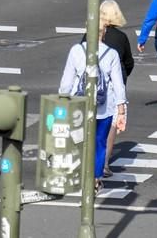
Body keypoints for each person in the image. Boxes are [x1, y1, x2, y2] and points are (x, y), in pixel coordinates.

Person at [60, 20, 127, 191]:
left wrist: (62, 99)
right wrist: (121, 108)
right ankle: (96, 177)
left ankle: (80, 173)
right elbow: (118, 84)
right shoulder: (111, 54)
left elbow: (67, 81)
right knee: (99, 143)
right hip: (104, 107)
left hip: (79, 105)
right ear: (103, 33)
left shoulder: (76, 50)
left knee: (78, 141)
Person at [88, 0, 133, 178]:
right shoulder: (121, 37)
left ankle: (89, 161)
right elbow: (129, 63)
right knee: (110, 125)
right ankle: (104, 163)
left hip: (91, 86)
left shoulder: (88, 35)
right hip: (113, 88)